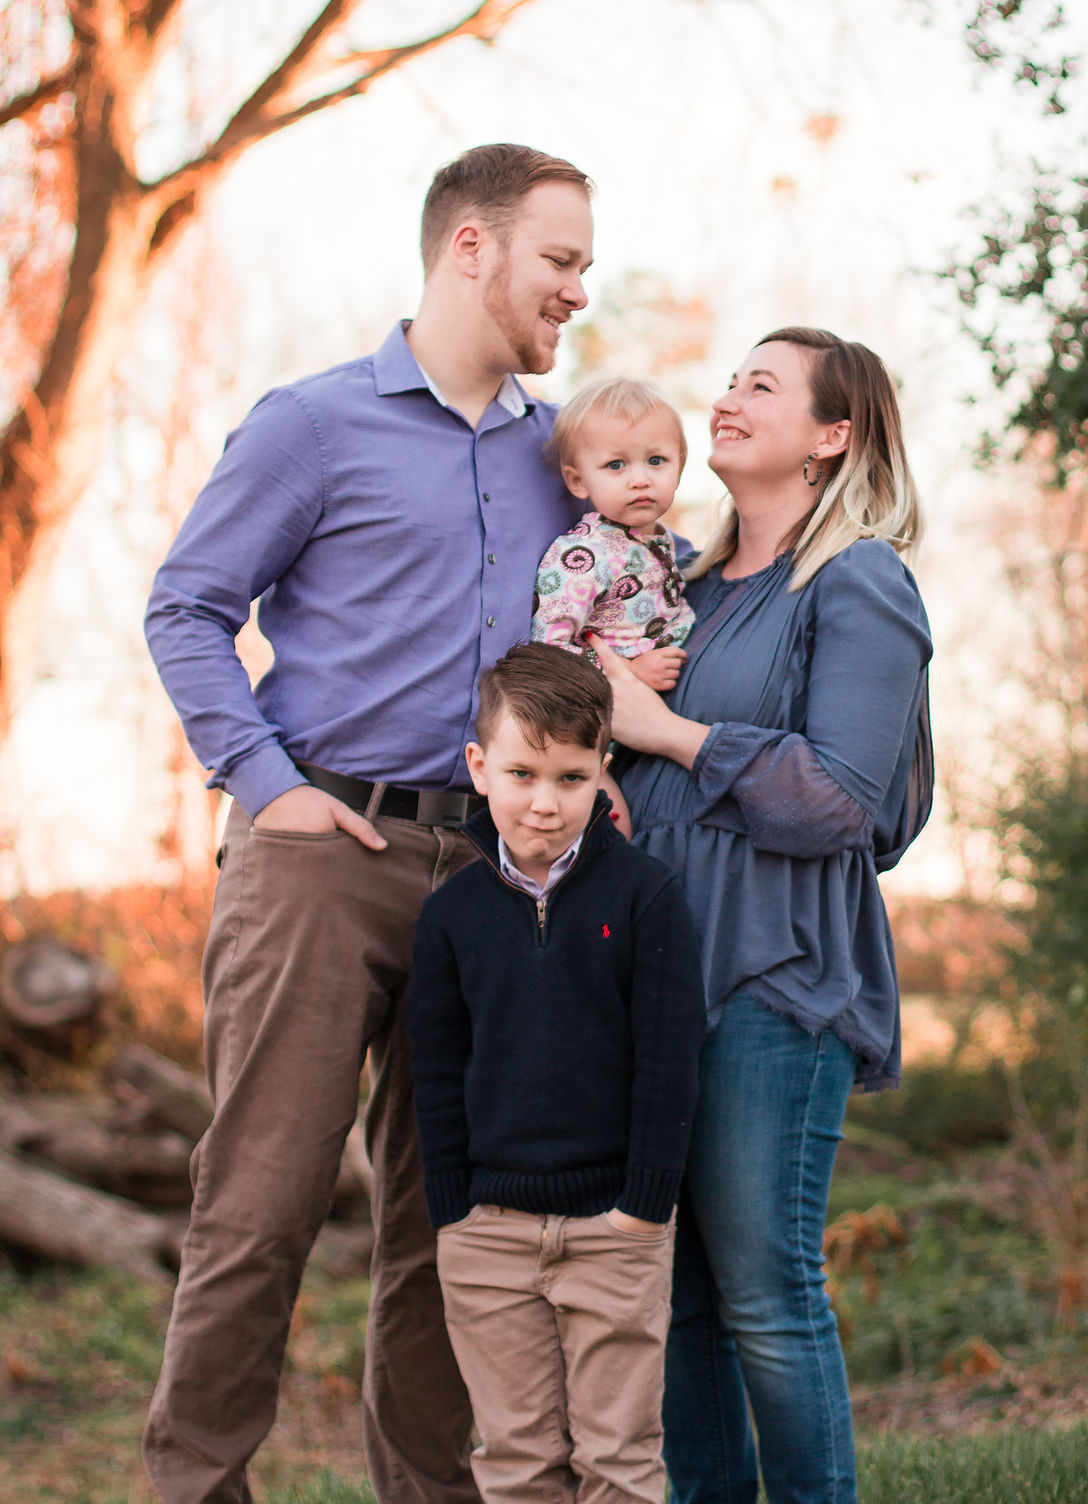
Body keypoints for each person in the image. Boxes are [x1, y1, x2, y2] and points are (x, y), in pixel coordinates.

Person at [142, 143, 595, 1504]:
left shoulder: (560, 461)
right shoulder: (313, 424)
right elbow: (186, 608)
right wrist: (265, 784)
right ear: (471, 245)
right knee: (261, 1202)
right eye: (559, 259)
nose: (578, 290)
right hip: (322, 858)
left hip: (497, 877)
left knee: (453, 1224)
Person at [593, 327, 934, 1504]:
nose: (727, 398)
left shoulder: (856, 581)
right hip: (653, 977)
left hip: (771, 975)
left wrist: (667, 733)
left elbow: (843, 799)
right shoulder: (676, 590)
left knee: (764, 1294)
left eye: (762, 386)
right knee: (674, 1298)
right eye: (731, 379)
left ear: (831, 435)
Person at [408, 641, 705, 1504]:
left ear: (603, 769)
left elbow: (669, 1062)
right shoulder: (451, 916)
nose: (545, 802)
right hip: (488, 1235)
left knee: (618, 1460)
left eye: (572, 778)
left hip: (615, 1230)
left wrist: (644, 1207)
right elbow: (436, 1069)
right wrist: (453, 1209)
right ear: (479, 767)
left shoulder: (646, 897)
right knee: (517, 1460)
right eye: (522, 774)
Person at [529, 378, 695, 691]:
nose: (640, 479)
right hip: (610, 704)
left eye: (656, 461)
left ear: (679, 467)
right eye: (616, 465)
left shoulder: (661, 540)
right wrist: (631, 669)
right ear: (578, 481)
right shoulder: (584, 555)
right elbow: (548, 650)